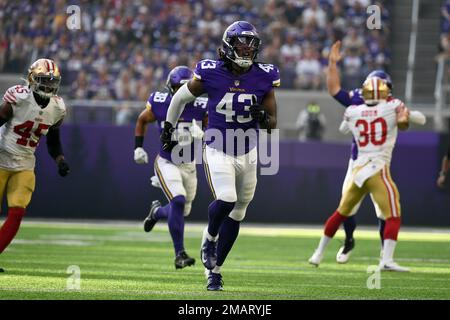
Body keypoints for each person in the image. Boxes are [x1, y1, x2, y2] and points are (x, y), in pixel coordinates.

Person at [161, 21, 279, 290]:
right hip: (217, 147)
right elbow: (179, 99)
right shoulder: (210, 72)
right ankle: (209, 238)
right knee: (226, 199)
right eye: (241, 44)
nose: (247, 50)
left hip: (248, 151)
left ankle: (214, 271)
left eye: (251, 46)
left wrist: (264, 117)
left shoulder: (264, 75)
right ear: (228, 46)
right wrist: (168, 128)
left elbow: (273, 124)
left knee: (238, 213)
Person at [327, 40, 425, 264]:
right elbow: (335, 91)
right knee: (347, 206)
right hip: (357, 161)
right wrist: (332, 64)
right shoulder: (361, 99)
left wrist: (408, 117)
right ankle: (349, 240)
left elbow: (407, 120)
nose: (373, 91)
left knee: (383, 211)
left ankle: (385, 252)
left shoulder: (392, 103)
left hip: (379, 163)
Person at [309, 76, 417, 272]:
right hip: (378, 169)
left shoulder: (353, 111)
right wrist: (407, 116)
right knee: (393, 215)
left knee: (341, 213)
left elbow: (343, 129)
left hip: (357, 170)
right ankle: (387, 259)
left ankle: (318, 253)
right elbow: (403, 123)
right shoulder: (392, 106)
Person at [134, 66, 207, 269]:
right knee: (178, 200)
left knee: (182, 210)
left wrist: (205, 133)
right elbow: (142, 120)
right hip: (167, 162)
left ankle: (157, 212)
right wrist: (138, 148)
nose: (181, 92)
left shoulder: (202, 105)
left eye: (185, 87)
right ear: (170, 87)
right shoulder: (161, 103)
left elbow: (214, 131)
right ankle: (179, 254)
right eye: (177, 87)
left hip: (189, 165)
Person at [0, 58, 70, 273]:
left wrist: (60, 159)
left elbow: (53, 140)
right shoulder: (19, 96)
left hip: (25, 164)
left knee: (17, 212)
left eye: (52, 81)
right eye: (43, 80)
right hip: (1, 157)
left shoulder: (57, 107)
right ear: (32, 79)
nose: (48, 85)